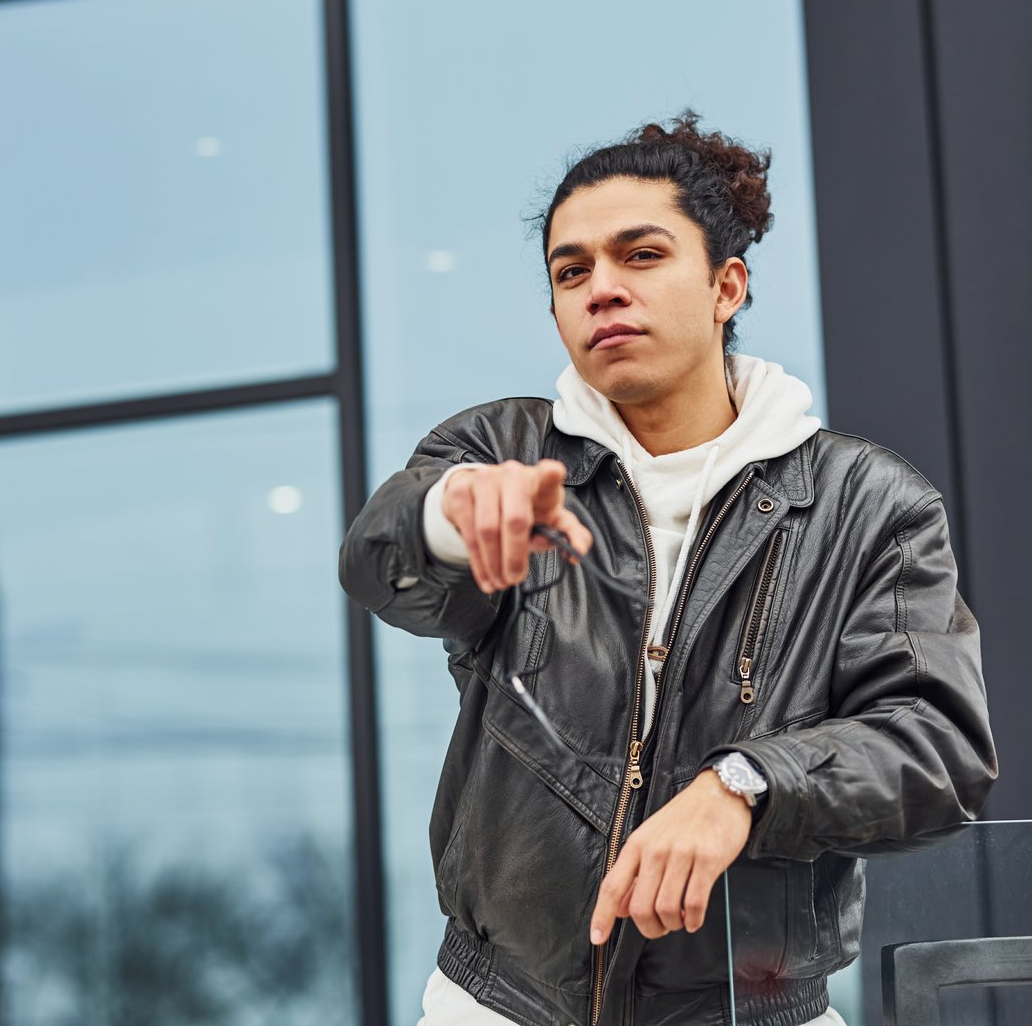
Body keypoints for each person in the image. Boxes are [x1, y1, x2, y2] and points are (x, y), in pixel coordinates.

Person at [338, 112, 997, 1026]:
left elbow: (938, 751)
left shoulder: (869, 503)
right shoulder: (500, 450)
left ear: (727, 286)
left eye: (639, 255)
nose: (601, 289)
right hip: (499, 1007)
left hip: (755, 1009)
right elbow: (378, 563)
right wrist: (445, 515)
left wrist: (749, 784)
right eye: (572, 272)